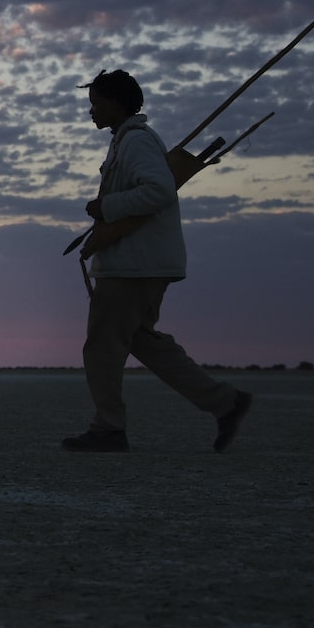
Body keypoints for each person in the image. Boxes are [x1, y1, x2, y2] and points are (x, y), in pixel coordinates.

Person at [63, 70, 253, 452]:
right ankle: (225, 402)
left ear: (117, 103)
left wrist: (106, 206)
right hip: (140, 265)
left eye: (96, 103)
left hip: (134, 267)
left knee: (102, 347)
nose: (91, 111)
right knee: (142, 341)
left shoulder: (136, 142)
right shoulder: (129, 141)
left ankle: (108, 429)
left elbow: (158, 192)